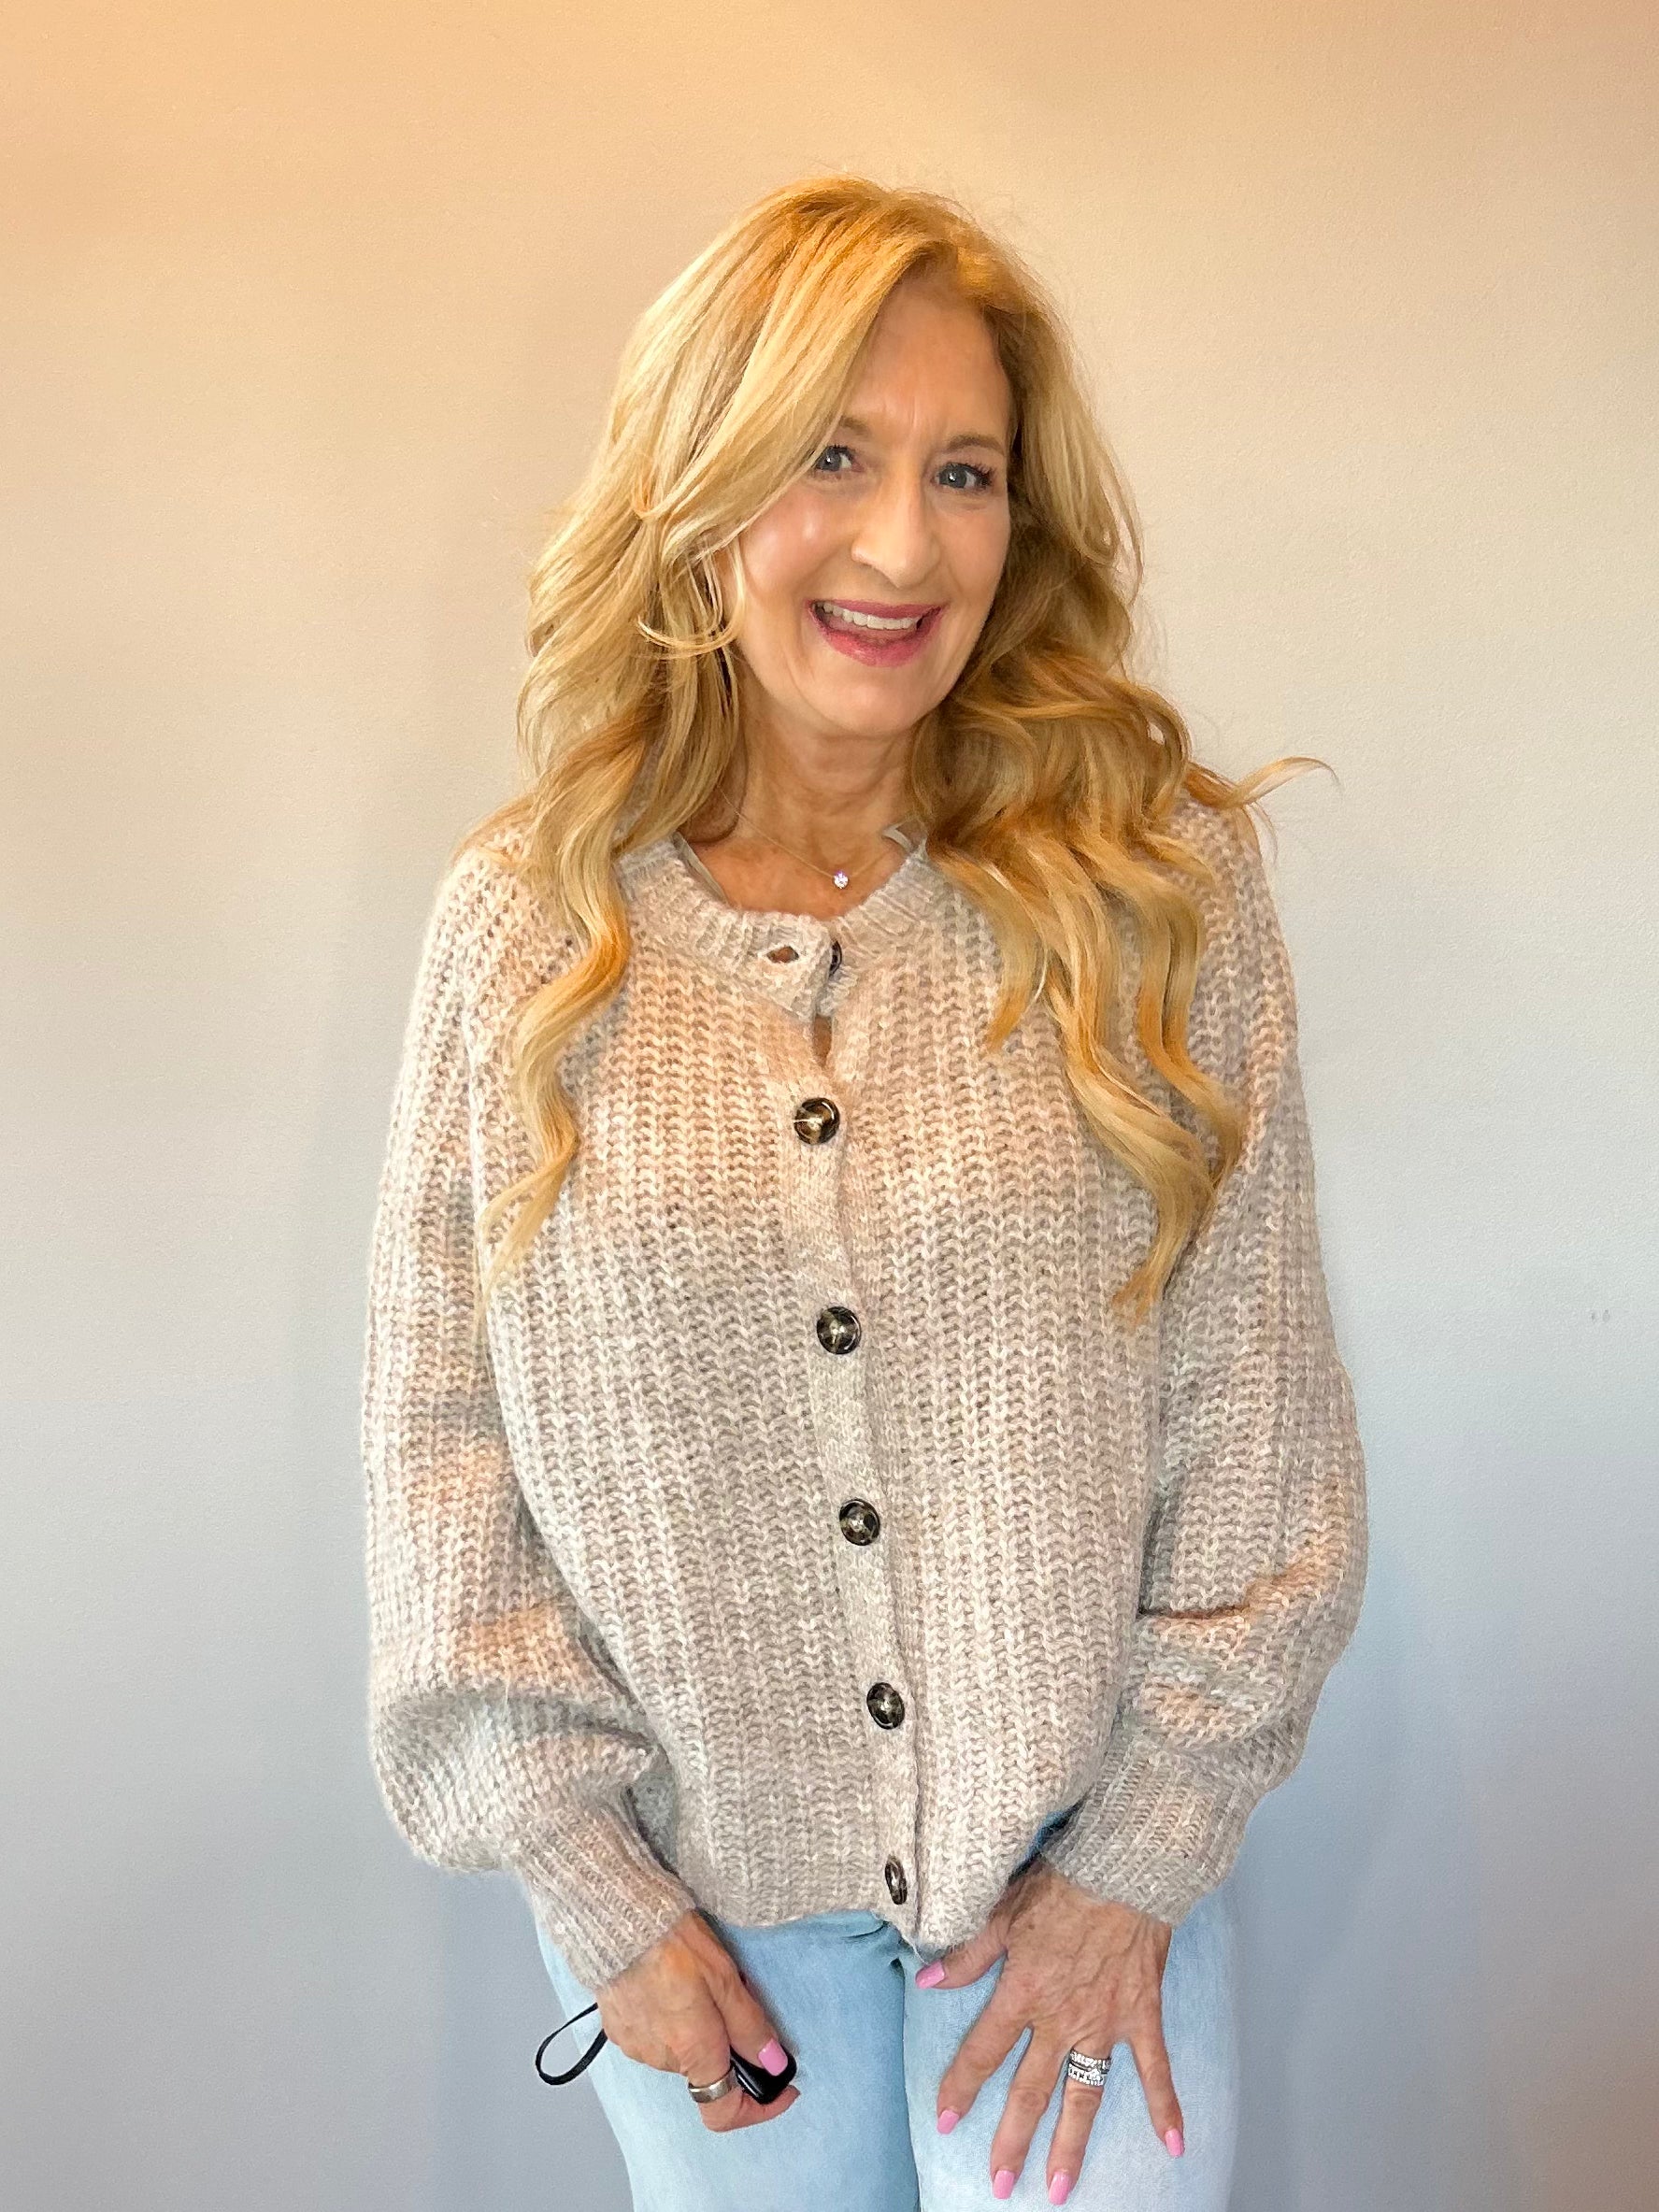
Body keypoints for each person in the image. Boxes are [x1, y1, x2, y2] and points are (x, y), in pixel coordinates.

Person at [360, 172, 1368, 2211]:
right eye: (834, 454)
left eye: (965, 470)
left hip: (1079, 1892)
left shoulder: (1153, 889)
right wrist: (593, 1887)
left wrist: (1142, 1856)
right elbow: (441, 1452)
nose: (907, 544)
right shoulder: (525, 929)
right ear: (703, 481)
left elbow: (1257, 1415)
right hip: (705, 1929)